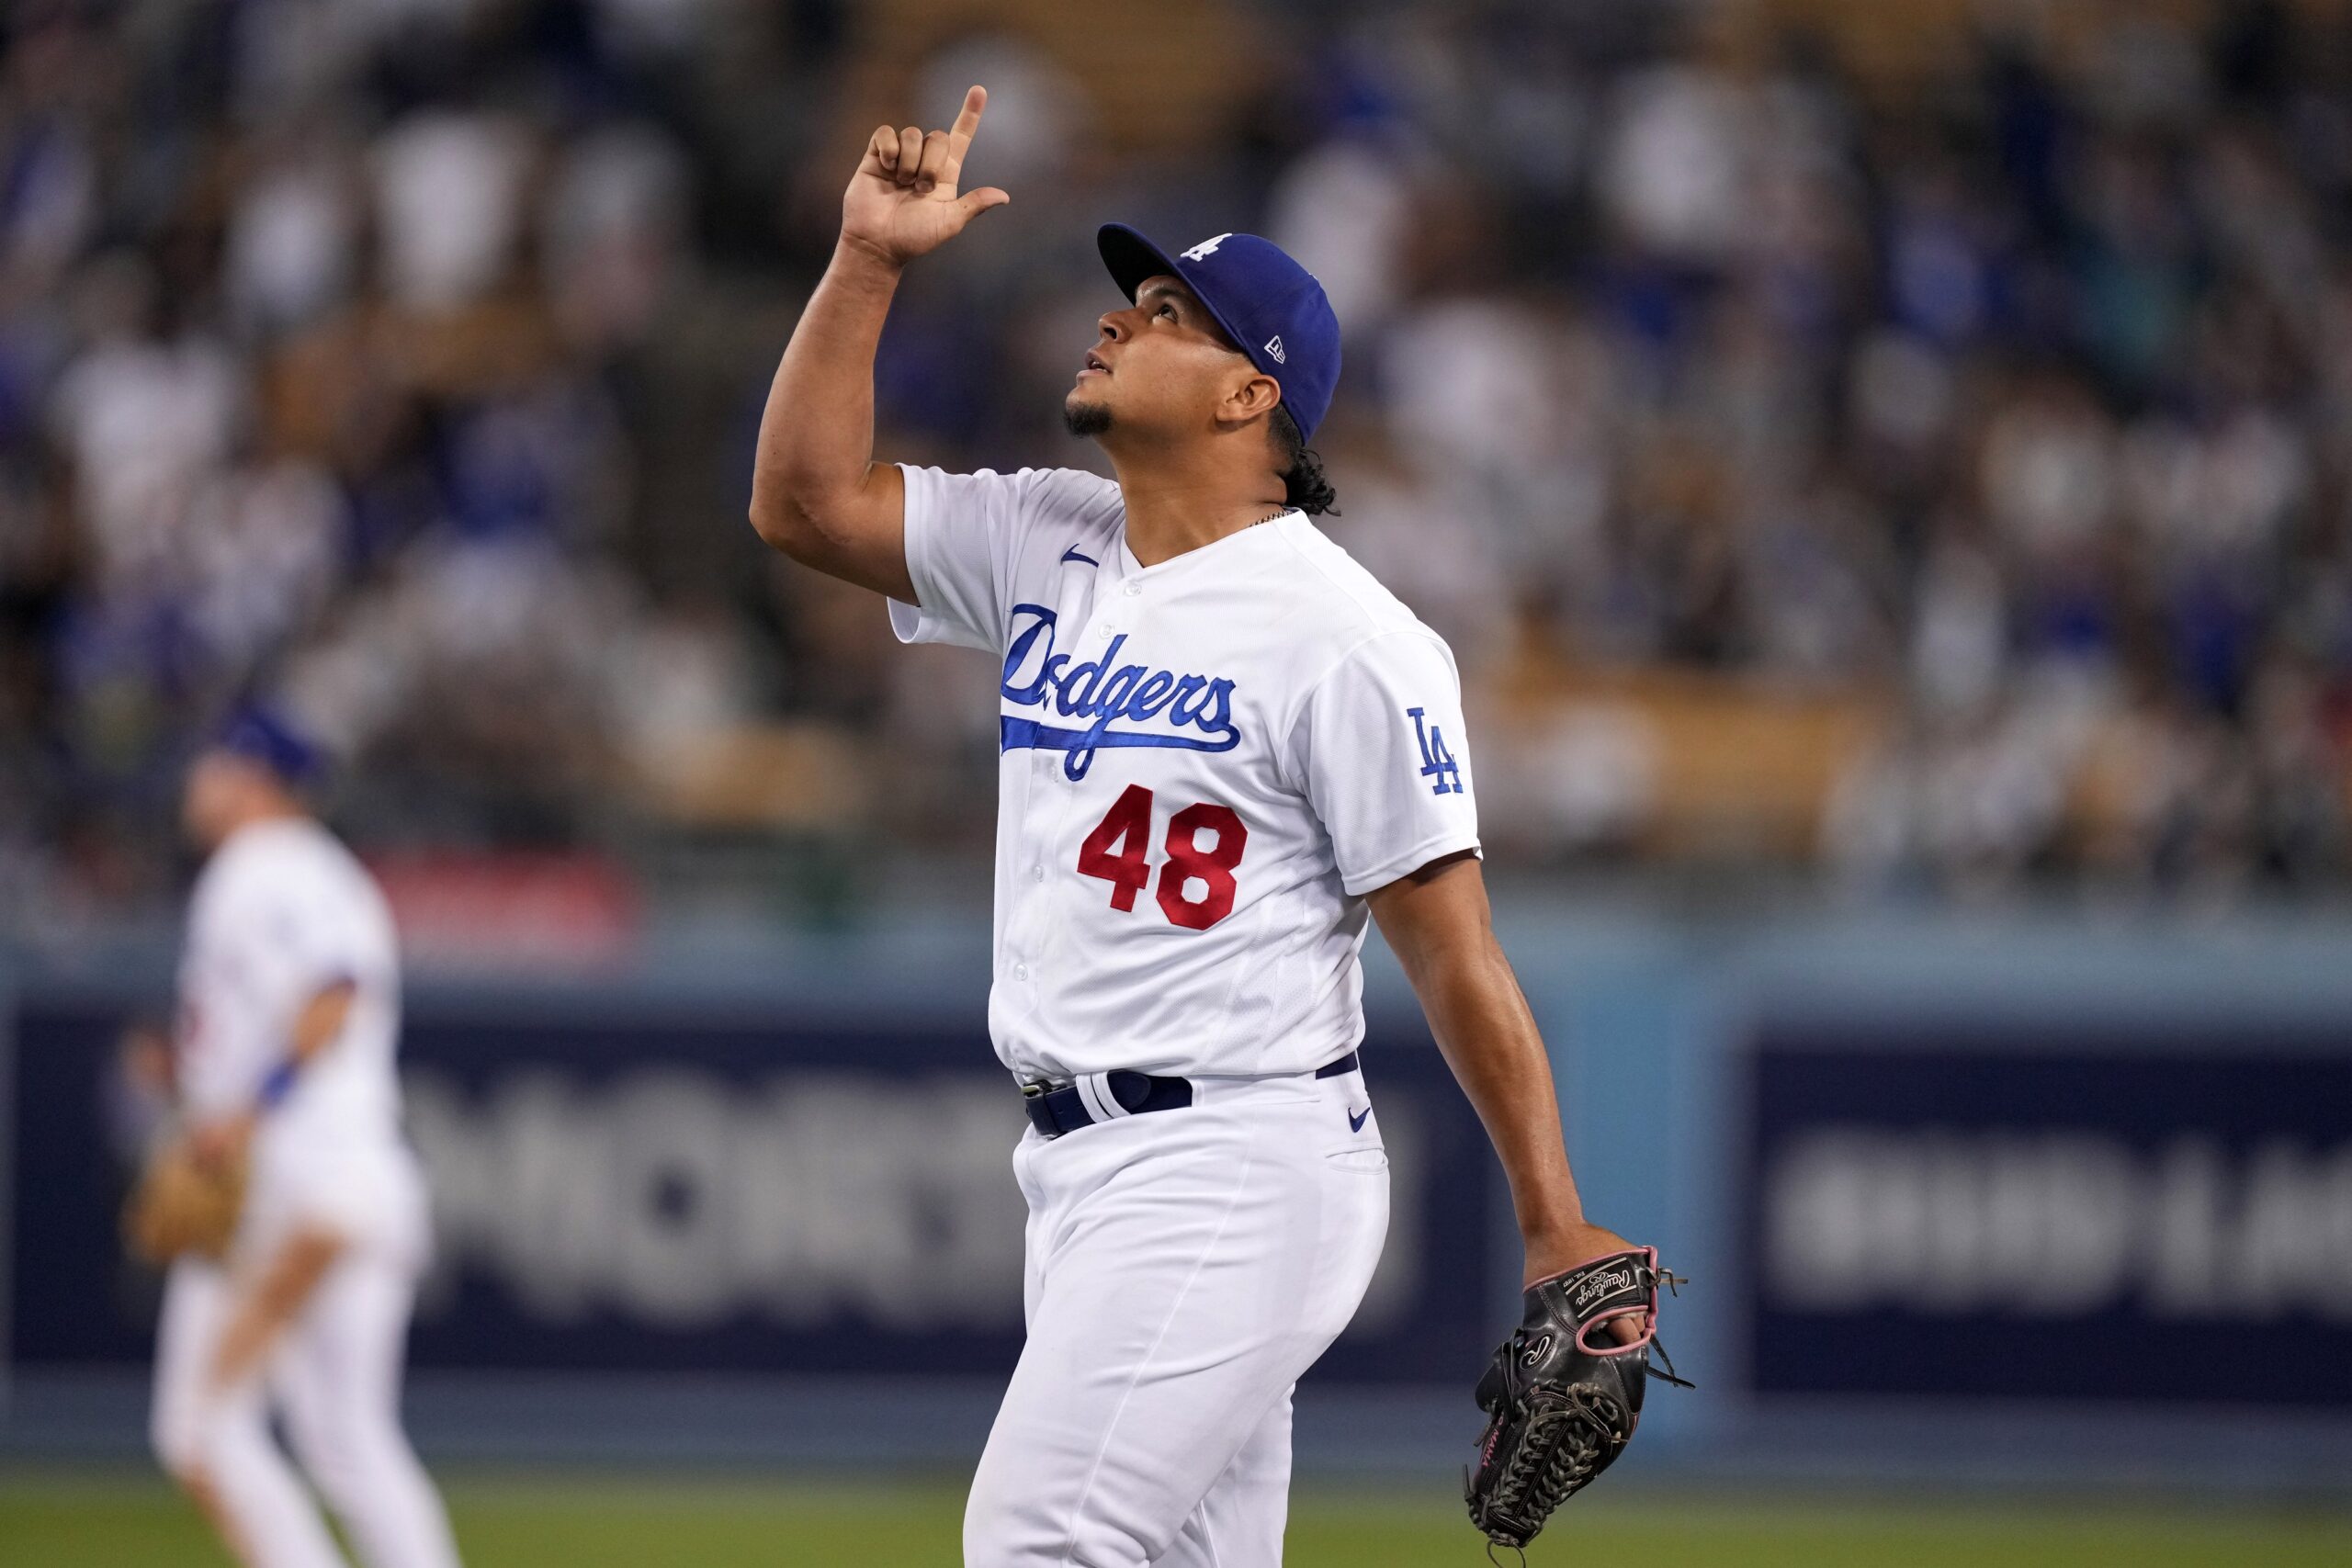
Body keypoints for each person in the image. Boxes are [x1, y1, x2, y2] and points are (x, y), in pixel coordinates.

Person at [749, 86, 1644, 1566]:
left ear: (1250, 397)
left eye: (1170, 312)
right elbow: (800, 503)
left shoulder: (1349, 637)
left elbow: (1457, 952)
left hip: (1232, 1159)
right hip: (1081, 1171)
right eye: (1132, 298)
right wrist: (867, 265)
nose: (1119, 319)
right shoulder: (1051, 536)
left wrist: (1554, 1219)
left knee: (1036, 1539)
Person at [147, 705, 459, 1568]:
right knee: (348, 1441)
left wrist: (241, 1115)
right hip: (354, 1184)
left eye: (213, 766)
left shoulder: (264, 865)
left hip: (297, 1188)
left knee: (201, 1428)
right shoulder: (321, 869)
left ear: (253, 778)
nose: (198, 781)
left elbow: (334, 988)